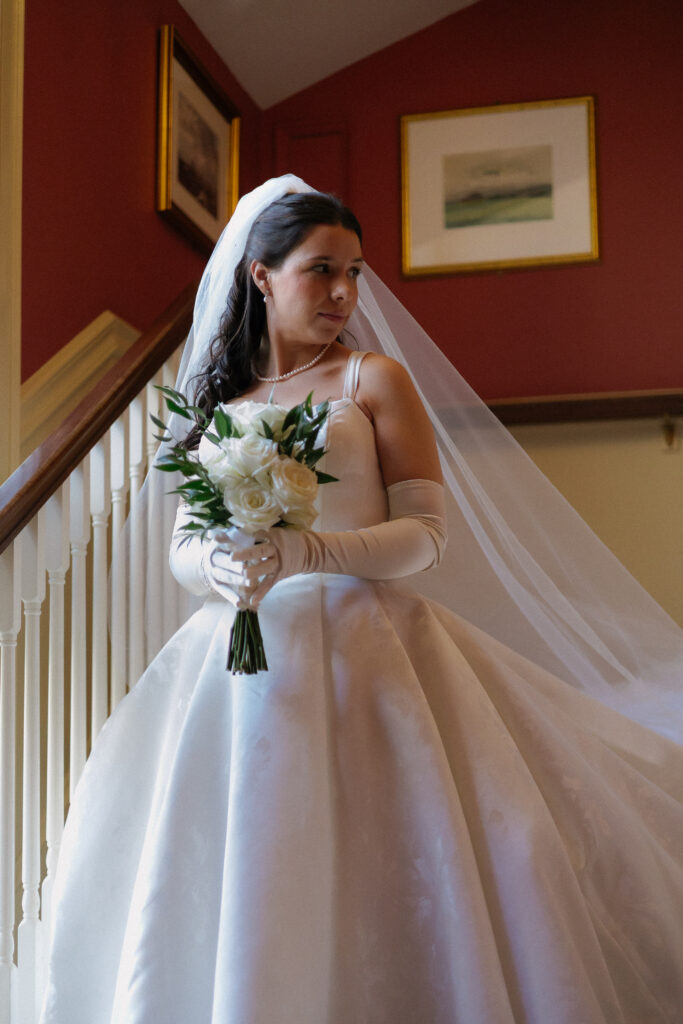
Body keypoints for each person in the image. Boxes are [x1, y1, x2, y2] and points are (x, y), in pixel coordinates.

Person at [40, 177, 683, 1024]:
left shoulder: (370, 380)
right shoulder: (216, 407)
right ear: (261, 276)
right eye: (321, 271)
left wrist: (310, 550)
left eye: (354, 272)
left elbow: (425, 533)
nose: (345, 293)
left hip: (369, 649)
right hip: (234, 665)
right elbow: (183, 547)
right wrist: (219, 571)